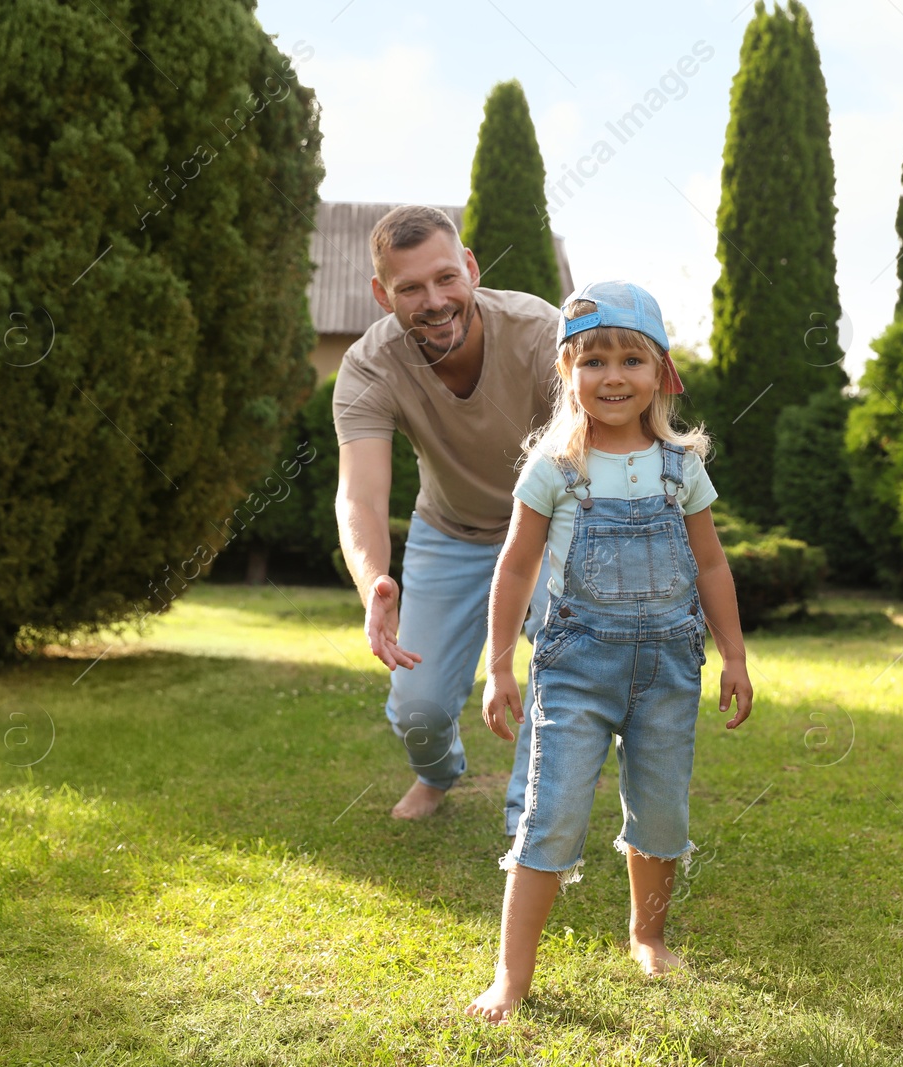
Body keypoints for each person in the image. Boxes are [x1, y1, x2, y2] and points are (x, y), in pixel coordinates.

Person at [465, 280, 754, 1023]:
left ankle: (647, 935)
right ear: (567, 373)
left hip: (667, 668)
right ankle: (510, 974)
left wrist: (735, 656)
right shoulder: (555, 469)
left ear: (661, 373)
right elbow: (517, 565)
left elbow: (713, 565)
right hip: (574, 668)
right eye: (594, 360)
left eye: (631, 358)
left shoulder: (681, 466)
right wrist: (499, 664)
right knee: (549, 812)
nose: (614, 376)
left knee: (660, 808)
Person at [332, 205, 560, 828]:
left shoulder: (541, 332)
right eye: (410, 288)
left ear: (470, 268)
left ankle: (531, 816)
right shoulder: (368, 367)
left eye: (445, 279)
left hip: (550, 529)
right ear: (384, 295)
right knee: (419, 709)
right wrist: (375, 581)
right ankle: (436, 775)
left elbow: (597, 446)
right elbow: (360, 494)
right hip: (450, 532)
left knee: (560, 666)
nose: (434, 301)